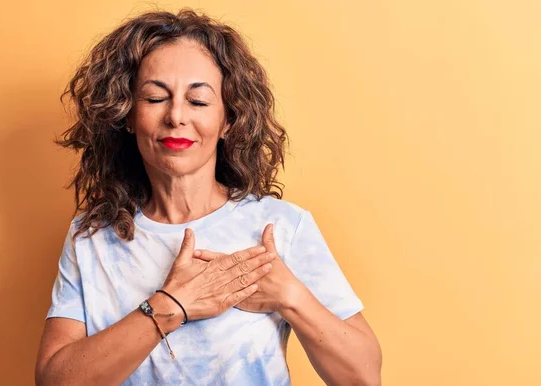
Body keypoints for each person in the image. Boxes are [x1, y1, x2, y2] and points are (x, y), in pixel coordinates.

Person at [35, 8, 382, 386]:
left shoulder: (281, 226)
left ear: (228, 120)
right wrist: (171, 305)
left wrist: (289, 295)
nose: (176, 116)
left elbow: (363, 378)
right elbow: (55, 380)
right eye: (154, 98)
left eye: (198, 102)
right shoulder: (91, 237)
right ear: (127, 114)